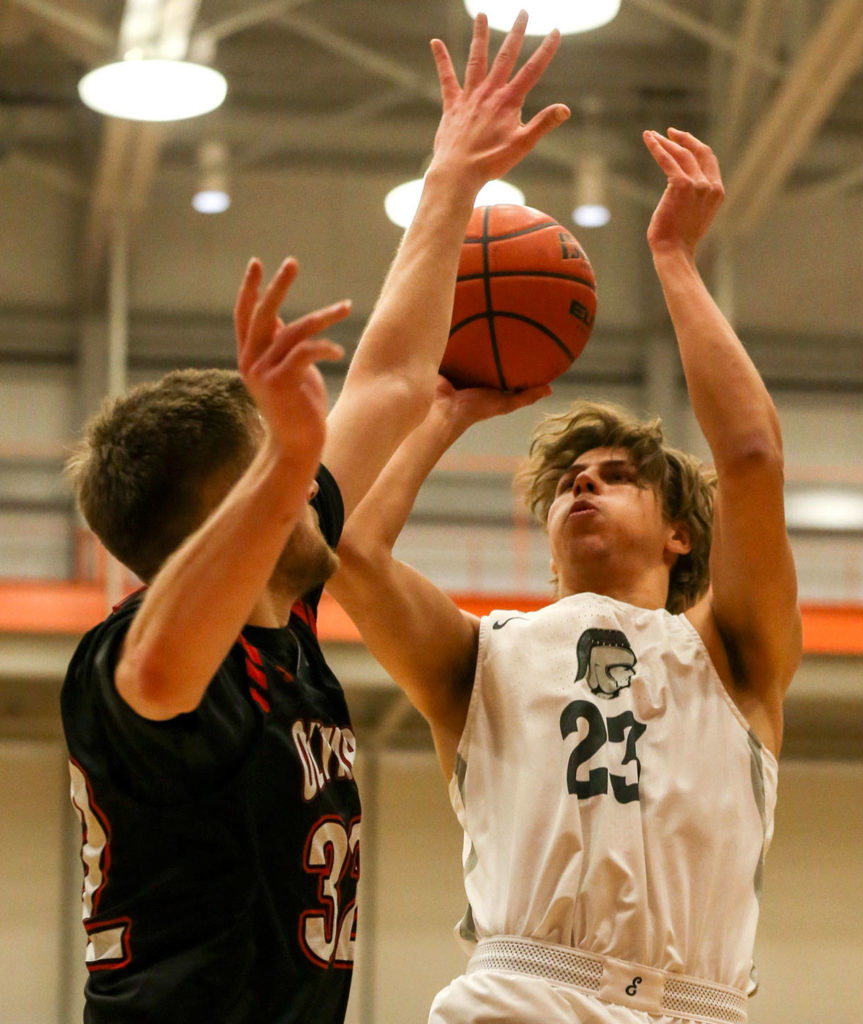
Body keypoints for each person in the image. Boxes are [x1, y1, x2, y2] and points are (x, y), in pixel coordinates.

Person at [60, 13, 569, 1023]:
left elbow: (385, 376)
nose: (310, 482)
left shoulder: (278, 615)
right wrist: (289, 451)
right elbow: (161, 672)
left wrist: (452, 177)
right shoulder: (134, 665)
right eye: (277, 476)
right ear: (222, 522)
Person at [328, 128, 802, 1023]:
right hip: (522, 992)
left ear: (679, 538)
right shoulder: (487, 652)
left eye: (618, 475)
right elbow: (349, 551)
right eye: (567, 483)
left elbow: (748, 454)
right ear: (548, 542)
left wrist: (673, 259)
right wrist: (443, 410)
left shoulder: (732, 652)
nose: (584, 482)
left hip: (699, 1005)